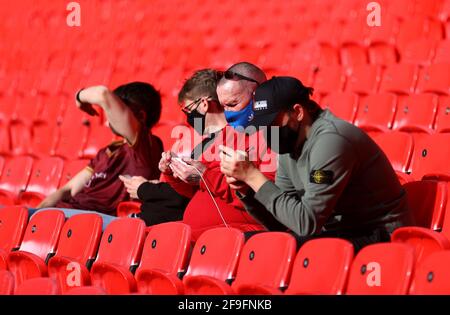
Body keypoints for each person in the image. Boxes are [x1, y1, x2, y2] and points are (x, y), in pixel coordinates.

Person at [219, 76, 412, 251]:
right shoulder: (289, 145)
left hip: (378, 236)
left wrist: (254, 176)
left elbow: (306, 223)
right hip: (335, 233)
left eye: (272, 122)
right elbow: (285, 223)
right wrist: (247, 189)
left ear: (297, 112)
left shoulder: (331, 141)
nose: (266, 130)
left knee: (276, 250)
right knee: (239, 245)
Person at [35, 82, 163, 227]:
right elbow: (68, 190)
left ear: (140, 116)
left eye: (115, 110)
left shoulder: (145, 147)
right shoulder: (108, 151)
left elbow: (102, 94)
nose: (108, 120)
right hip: (66, 212)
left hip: (91, 221)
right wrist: (35, 213)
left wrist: (79, 97)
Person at [216, 62, 266, 129]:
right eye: (222, 107)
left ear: (258, 95)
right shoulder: (222, 138)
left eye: (232, 104)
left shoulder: (281, 131)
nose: (227, 113)